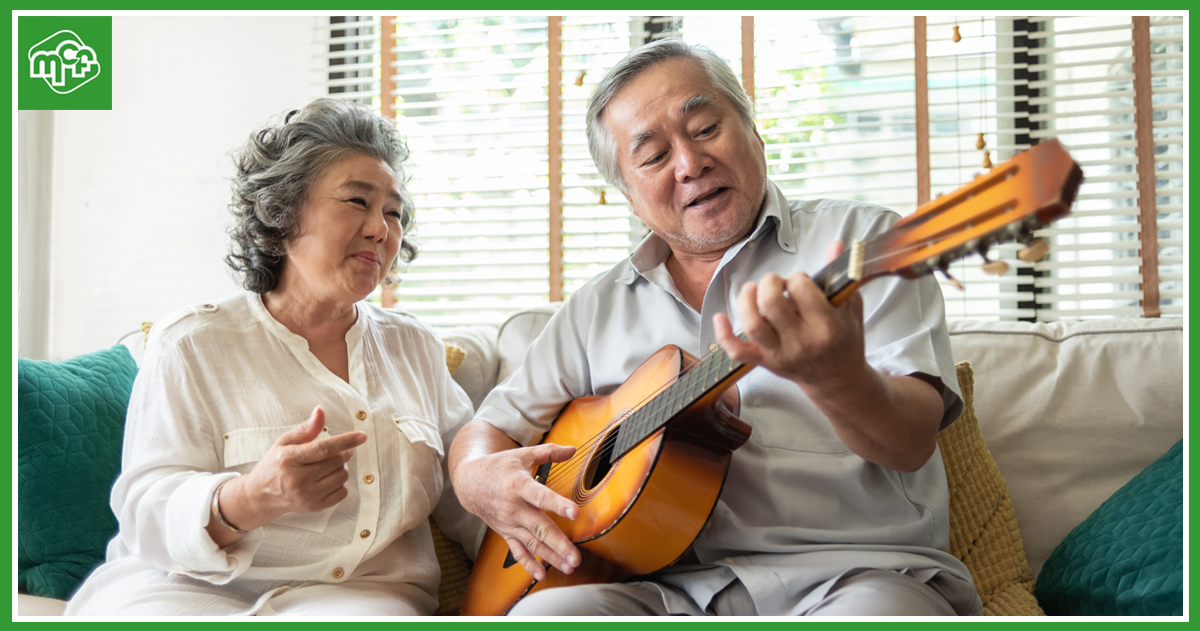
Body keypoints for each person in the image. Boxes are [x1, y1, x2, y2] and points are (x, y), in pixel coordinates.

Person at [448, 40, 982, 616]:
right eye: (652, 157)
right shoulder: (594, 307)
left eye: (704, 128)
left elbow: (910, 444)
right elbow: (490, 428)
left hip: (852, 576)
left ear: (754, 131)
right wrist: (477, 478)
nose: (689, 163)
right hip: (656, 590)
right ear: (630, 197)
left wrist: (839, 378)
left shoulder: (864, 242)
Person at [66, 99, 477, 616]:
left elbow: (472, 490)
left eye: (393, 212)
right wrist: (250, 497)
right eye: (357, 201)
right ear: (283, 213)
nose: (381, 228)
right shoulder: (192, 341)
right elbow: (145, 507)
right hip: (182, 587)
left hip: (358, 598)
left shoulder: (414, 346)